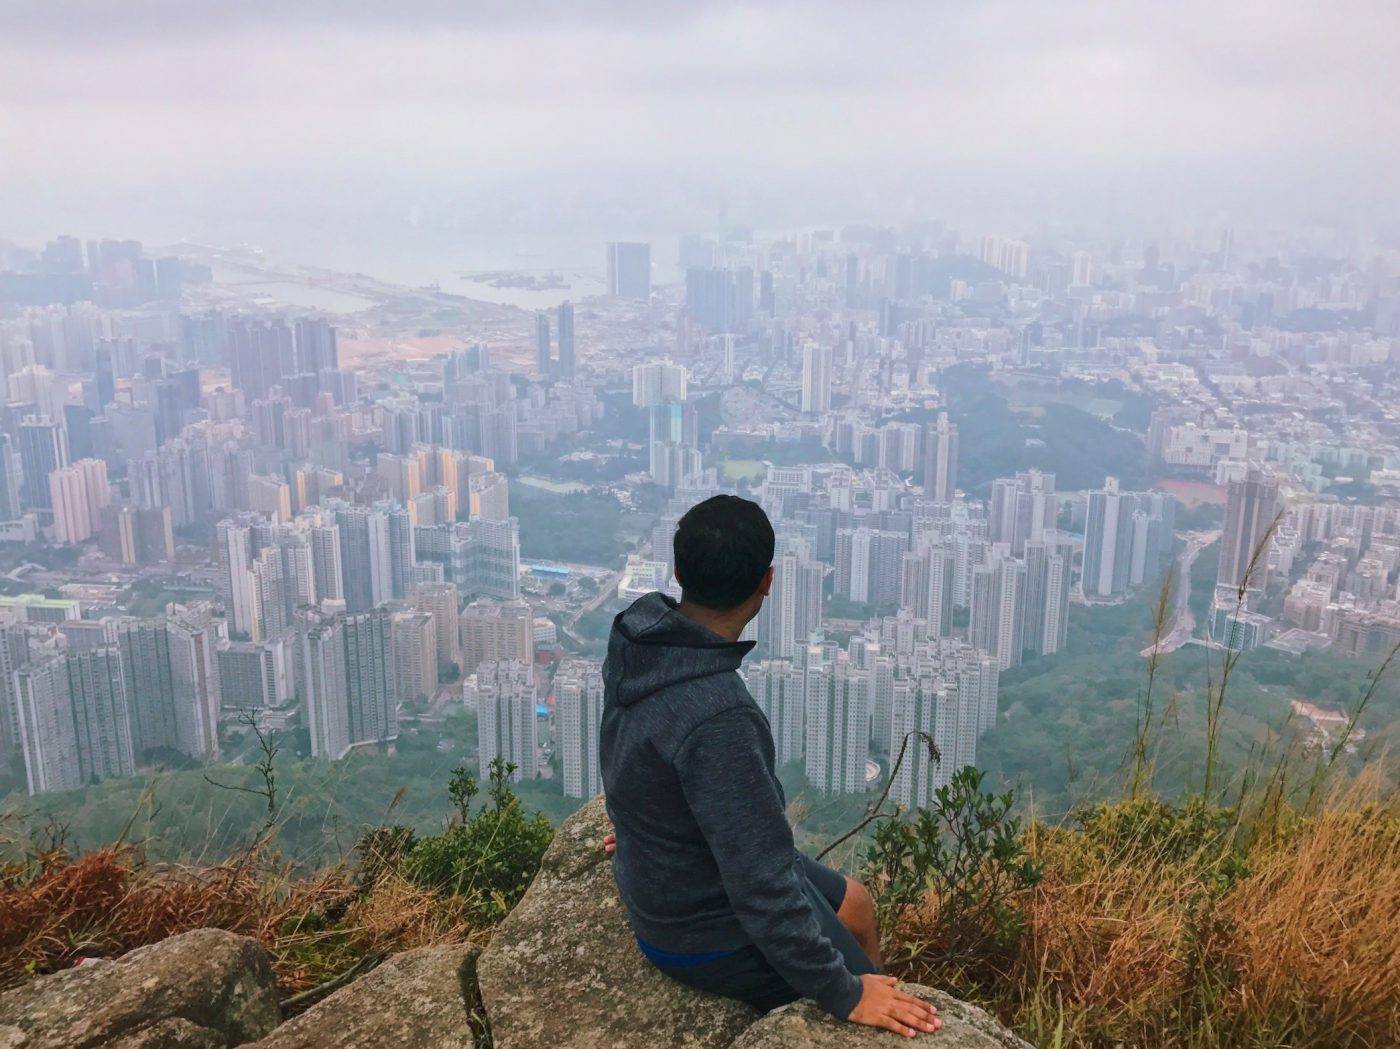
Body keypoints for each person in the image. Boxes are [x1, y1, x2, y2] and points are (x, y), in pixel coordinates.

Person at [599, 494, 941, 1038]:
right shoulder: (720, 717)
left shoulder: (642, 635)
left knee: (858, 904)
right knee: (867, 1014)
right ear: (768, 581)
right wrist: (845, 992)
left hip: (689, 871)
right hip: (697, 931)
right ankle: (873, 995)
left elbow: (636, 744)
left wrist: (647, 825)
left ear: (679, 571)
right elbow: (760, 888)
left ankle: (875, 980)